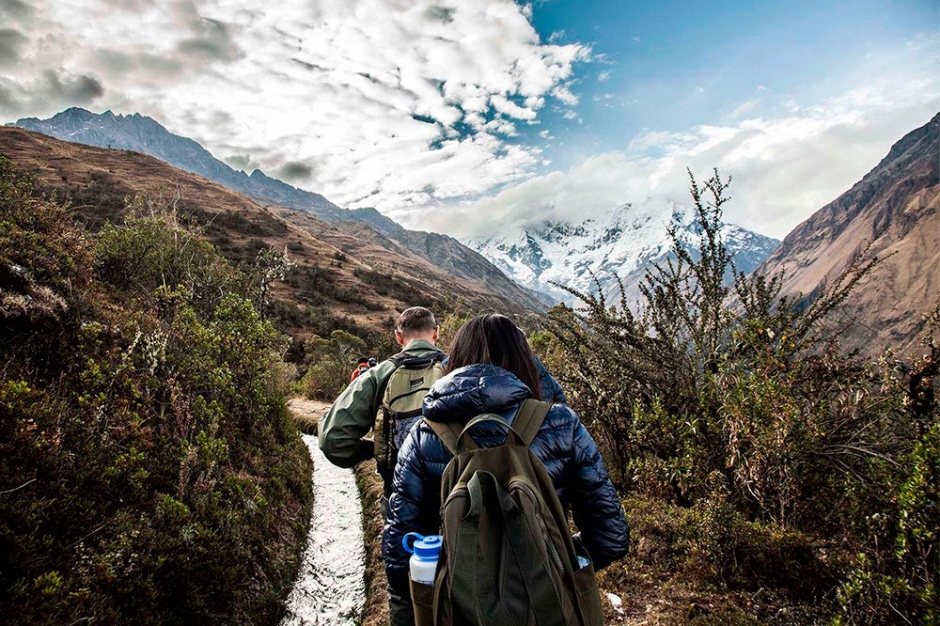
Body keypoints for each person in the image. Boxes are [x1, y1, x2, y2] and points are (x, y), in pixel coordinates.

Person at [382, 313, 630, 626]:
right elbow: (612, 538)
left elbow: (399, 554)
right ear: (526, 361)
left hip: (459, 611)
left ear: (454, 360)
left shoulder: (423, 435)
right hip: (550, 609)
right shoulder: (562, 424)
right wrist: (556, 557)